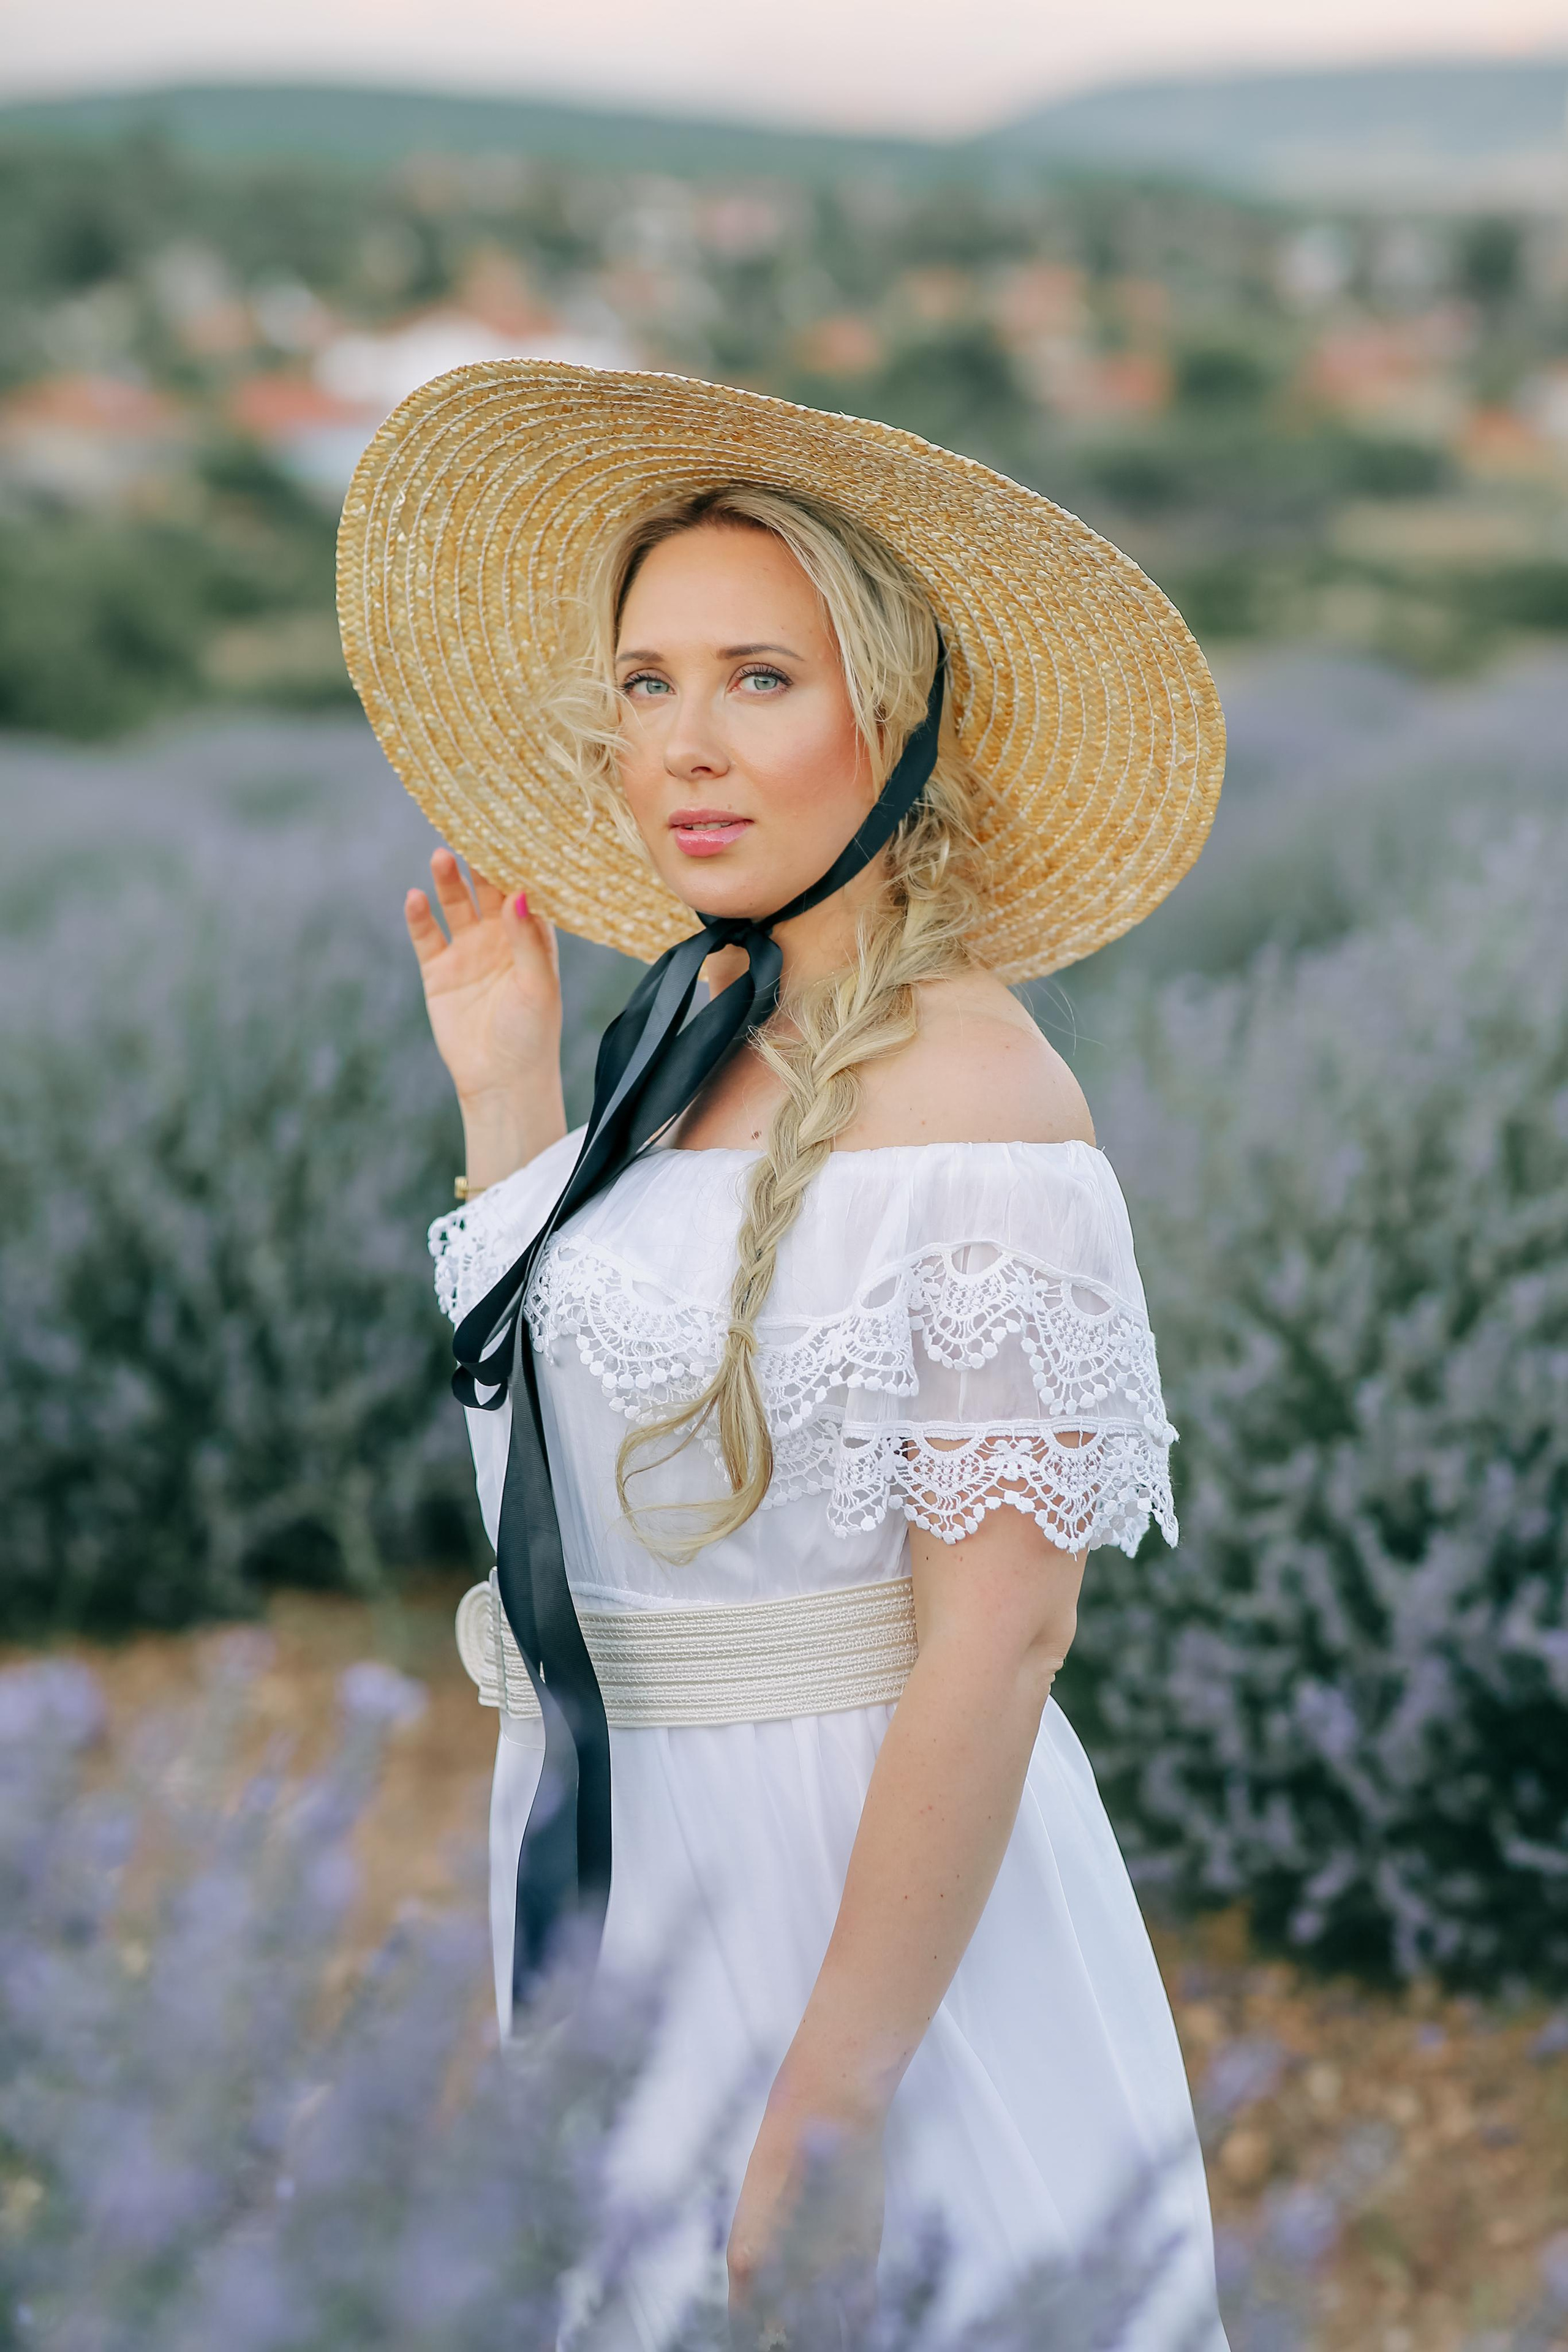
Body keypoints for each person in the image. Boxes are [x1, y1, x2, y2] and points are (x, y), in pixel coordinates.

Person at [338, 364, 1228, 2347]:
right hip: (623, 1847)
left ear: (888, 721)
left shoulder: (991, 1112)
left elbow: (997, 1645)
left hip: (849, 1895)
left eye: (759, 678)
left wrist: (825, 2107)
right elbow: (565, 1499)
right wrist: (508, 1101)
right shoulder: (684, 1044)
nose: (684, 748)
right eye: (647, 683)